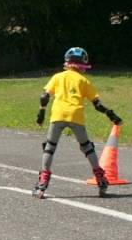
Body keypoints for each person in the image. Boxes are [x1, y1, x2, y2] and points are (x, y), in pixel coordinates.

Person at [33, 46, 123, 198]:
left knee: (49, 147)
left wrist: (41, 114)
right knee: (87, 148)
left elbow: (44, 96)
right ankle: (101, 179)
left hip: (58, 115)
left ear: (67, 62)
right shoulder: (84, 80)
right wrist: (111, 115)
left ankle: (42, 184)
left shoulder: (57, 77)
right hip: (76, 116)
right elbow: (97, 104)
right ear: (83, 63)